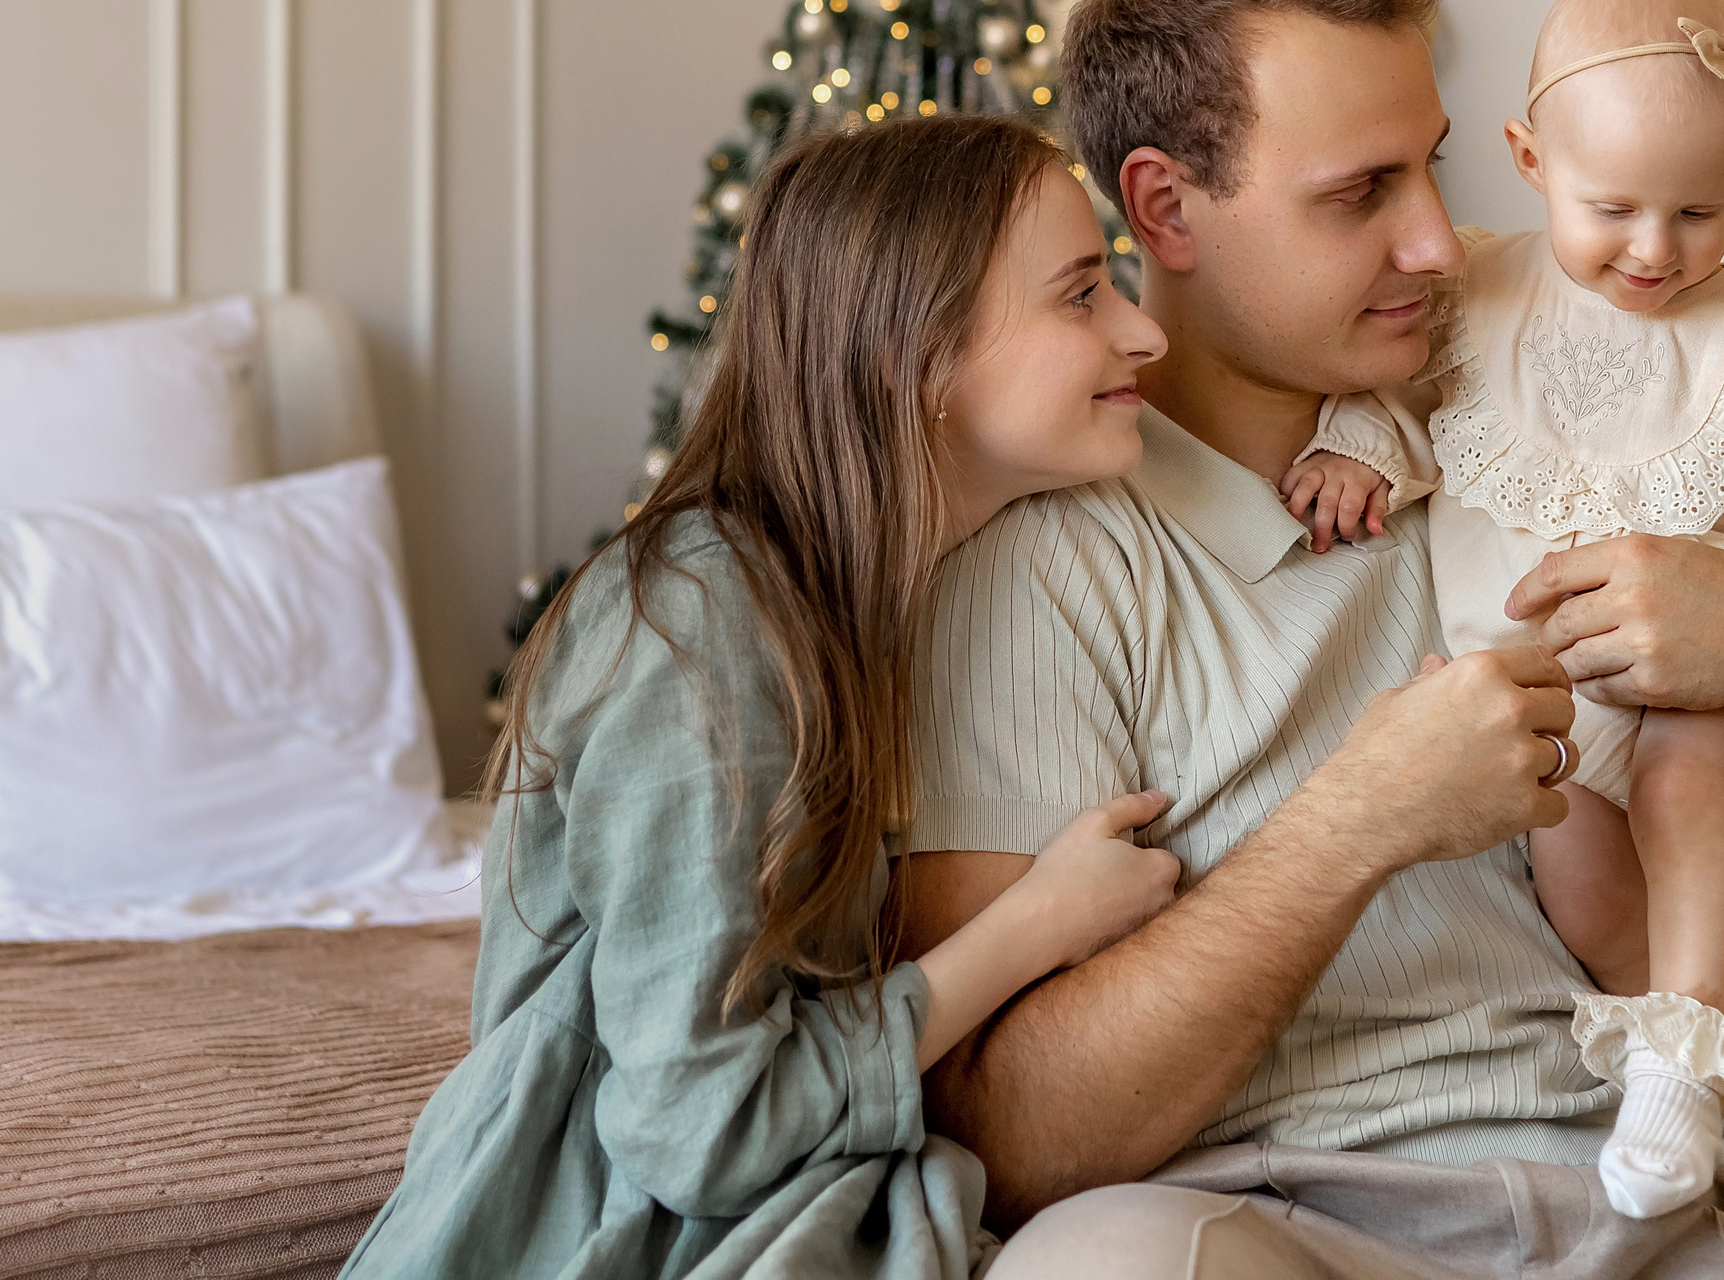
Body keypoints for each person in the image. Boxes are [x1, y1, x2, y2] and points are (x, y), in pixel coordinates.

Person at [898, 0, 1724, 1278]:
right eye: (1361, 192)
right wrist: (1358, 819)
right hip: (1279, 1224)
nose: (1438, 241)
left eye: (1428, 163)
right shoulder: (1038, 569)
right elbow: (1013, 1134)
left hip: (1629, 1199)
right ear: (1164, 207)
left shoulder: (1522, 421)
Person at [340, 115, 1180, 1280]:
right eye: (1081, 294)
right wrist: (1037, 924)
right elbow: (701, 1126)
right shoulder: (701, 631)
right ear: (915, 355)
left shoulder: (917, 585)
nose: (1142, 331)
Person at [1281, 0, 1724, 1218]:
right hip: (1537, 687)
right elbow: (1408, 406)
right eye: (1615, 207)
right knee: (1583, 885)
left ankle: (1681, 1073)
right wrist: (1353, 453)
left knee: (1686, 799)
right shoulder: (1473, 291)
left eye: (1701, 210)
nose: (1655, 249)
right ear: (1530, 158)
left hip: (1693, 665)